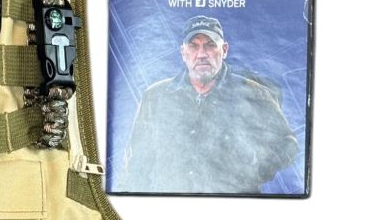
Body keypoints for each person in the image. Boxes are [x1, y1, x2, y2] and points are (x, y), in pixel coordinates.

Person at [124, 15, 298, 194]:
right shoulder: (156, 96)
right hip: (172, 204)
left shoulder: (253, 93)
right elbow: (137, 160)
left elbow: (288, 143)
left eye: (210, 45)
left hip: (236, 204)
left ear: (224, 50)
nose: (201, 54)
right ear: (183, 53)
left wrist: (256, 171)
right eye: (193, 46)